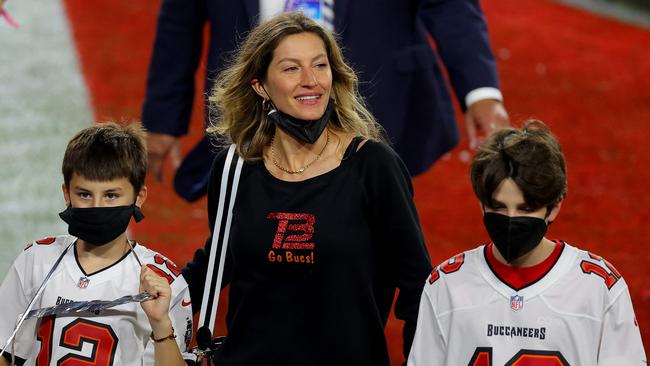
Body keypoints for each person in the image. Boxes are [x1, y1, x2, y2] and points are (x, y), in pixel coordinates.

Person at [181, 12, 432, 365]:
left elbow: (417, 288)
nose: (311, 81)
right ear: (260, 85)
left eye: (320, 65)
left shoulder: (373, 166)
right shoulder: (235, 167)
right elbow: (219, 260)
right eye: (291, 69)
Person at [142, 0, 509, 202]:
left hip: (374, 102)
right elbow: (180, 20)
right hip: (259, 107)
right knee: (260, 248)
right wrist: (163, 118)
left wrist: (480, 90)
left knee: (368, 254)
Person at [407, 120, 647, 365]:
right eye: (498, 207)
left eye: (525, 209)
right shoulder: (446, 286)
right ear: (481, 204)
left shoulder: (599, 289)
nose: (511, 220)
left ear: (554, 207)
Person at [0, 123, 195, 365]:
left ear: (139, 197)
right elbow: (5, 354)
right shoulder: (36, 260)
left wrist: (160, 323)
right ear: (67, 194)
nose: (97, 206)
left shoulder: (165, 283)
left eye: (111, 195)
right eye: (84, 194)